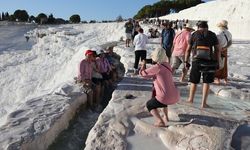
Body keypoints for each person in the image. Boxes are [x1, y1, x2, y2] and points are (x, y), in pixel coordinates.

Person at [140, 47, 180, 127]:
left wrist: (143, 65)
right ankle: (166, 117)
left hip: (165, 97)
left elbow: (143, 74)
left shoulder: (157, 67)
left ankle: (160, 121)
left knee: (149, 105)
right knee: (162, 98)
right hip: (175, 96)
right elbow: (159, 68)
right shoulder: (167, 65)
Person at [184, 21, 220, 108]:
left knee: (194, 81)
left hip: (196, 60)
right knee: (206, 82)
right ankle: (203, 103)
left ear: (198, 27)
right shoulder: (212, 34)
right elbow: (217, 49)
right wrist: (217, 62)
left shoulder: (194, 34)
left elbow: (188, 49)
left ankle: (190, 99)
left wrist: (186, 61)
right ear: (207, 27)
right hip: (209, 61)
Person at [214, 20, 232, 85]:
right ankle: (225, 78)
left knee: (218, 63)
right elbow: (230, 43)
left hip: (218, 49)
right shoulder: (229, 33)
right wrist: (225, 48)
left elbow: (216, 43)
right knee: (224, 64)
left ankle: (217, 79)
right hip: (225, 50)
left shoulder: (218, 33)